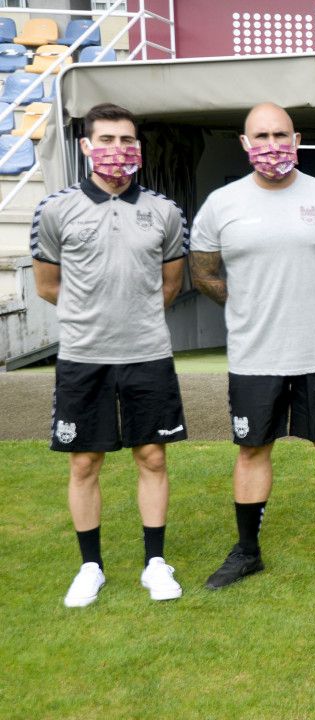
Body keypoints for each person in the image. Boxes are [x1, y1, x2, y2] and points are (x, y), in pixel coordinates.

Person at [189, 103, 315, 589]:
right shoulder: (222, 205)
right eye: (262, 136)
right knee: (252, 449)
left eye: (281, 134)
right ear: (245, 143)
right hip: (255, 355)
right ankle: (247, 552)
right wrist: (248, 303)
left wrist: (311, 302)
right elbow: (203, 273)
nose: (273, 144)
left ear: (298, 138)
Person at [31, 103, 189, 607]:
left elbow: (170, 283)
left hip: (147, 354)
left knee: (152, 456)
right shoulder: (55, 209)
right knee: (84, 463)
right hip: (84, 356)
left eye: (126, 140)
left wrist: (132, 317)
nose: (116, 150)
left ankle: (155, 563)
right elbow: (47, 285)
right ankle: (90, 567)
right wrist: (94, 313)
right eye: (106, 140)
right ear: (86, 147)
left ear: (137, 147)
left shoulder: (165, 211)